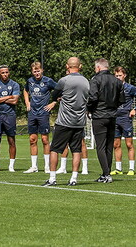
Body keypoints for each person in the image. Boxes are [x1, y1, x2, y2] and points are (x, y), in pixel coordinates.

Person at [43, 57, 90, 187]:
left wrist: (60, 98)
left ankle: (52, 178)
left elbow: (55, 94)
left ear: (67, 66)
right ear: (80, 66)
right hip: (79, 121)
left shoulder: (64, 80)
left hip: (64, 121)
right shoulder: (86, 81)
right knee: (76, 150)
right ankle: (74, 178)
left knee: (54, 149)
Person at [87, 58, 124, 183]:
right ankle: (105, 173)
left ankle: (106, 174)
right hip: (112, 116)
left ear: (98, 67)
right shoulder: (117, 81)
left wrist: (89, 109)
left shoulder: (95, 80)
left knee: (100, 146)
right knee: (109, 146)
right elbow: (121, 100)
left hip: (99, 116)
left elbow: (93, 97)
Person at [22, 61, 56, 173]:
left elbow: (60, 90)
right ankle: (34, 166)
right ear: (32, 72)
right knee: (32, 139)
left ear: (42, 70)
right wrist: (27, 102)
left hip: (43, 113)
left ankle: (47, 166)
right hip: (32, 113)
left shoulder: (48, 81)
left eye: (38, 71)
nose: (37, 73)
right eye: (34, 71)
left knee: (45, 139)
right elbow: (25, 90)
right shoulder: (30, 81)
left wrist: (53, 103)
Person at [112, 66, 136, 175]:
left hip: (126, 118)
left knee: (129, 144)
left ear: (124, 76)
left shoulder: (130, 88)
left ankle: (131, 168)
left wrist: (135, 109)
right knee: (116, 144)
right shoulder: (112, 88)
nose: (118, 77)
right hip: (115, 118)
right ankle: (118, 169)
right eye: (116, 76)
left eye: (120, 75)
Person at [0, 65, 20, 172]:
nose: (5, 74)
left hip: (10, 115)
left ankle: (11, 166)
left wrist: (0, 99)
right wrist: (8, 97)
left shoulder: (14, 85)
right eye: (3, 72)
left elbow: (15, 101)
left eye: (6, 72)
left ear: (9, 73)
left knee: (11, 140)